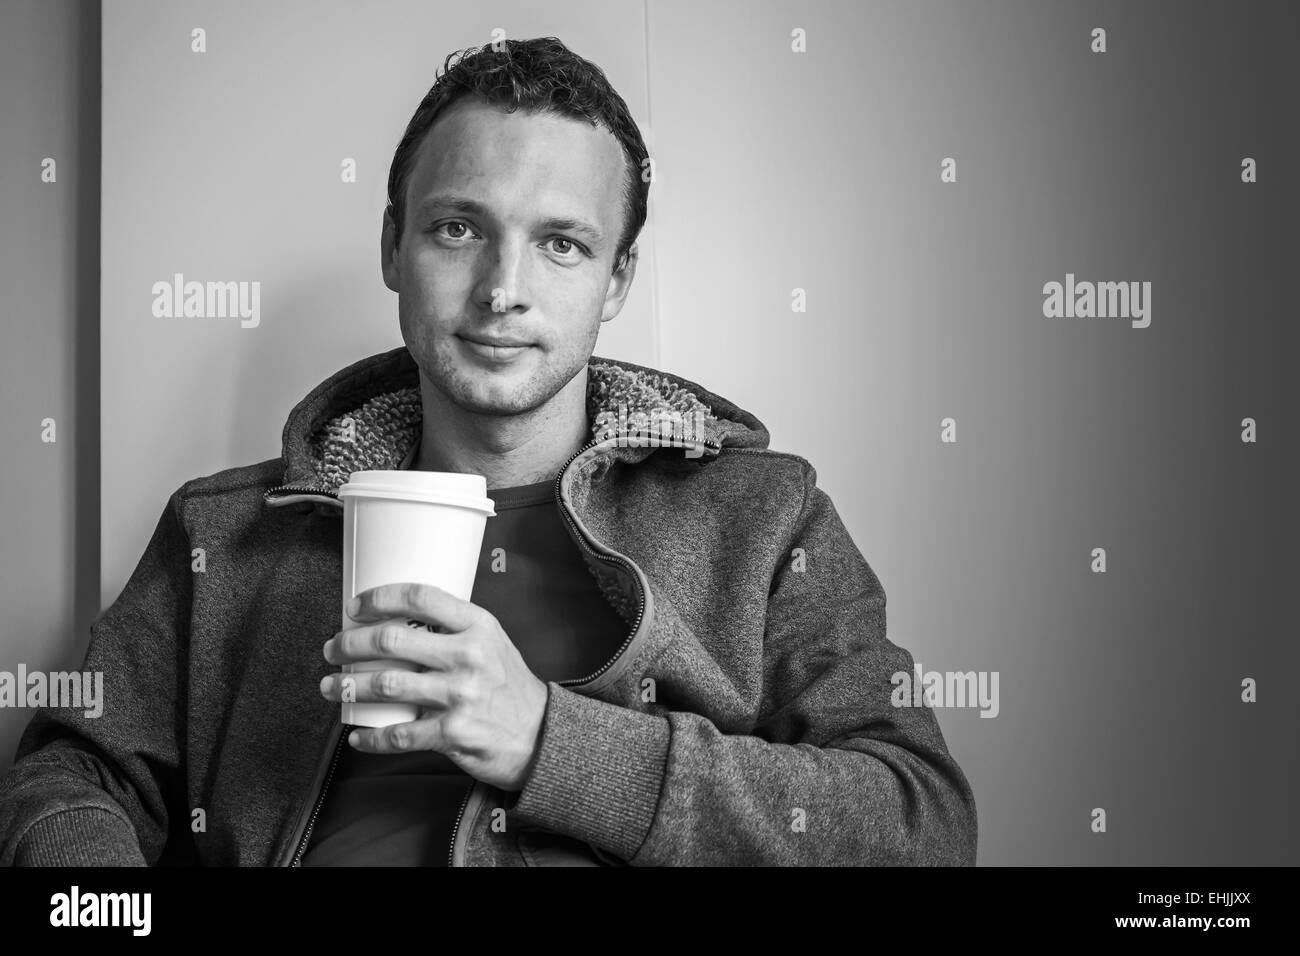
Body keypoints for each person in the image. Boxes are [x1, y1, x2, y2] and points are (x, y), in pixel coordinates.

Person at [0, 36, 977, 866]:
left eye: (561, 243)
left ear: (617, 277)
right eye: (459, 227)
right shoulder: (225, 533)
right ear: (394, 245)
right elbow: (73, 771)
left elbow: (917, 818)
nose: (501, 288)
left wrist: (545, 738)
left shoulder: (763, 520)